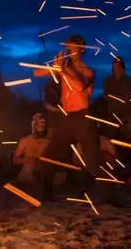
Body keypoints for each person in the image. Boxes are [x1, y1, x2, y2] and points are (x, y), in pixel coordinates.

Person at [34, 34, 105, 201]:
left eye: (73, 47)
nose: (70, 50)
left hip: (83, 117)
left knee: (93, 157)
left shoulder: (88, 71)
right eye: (68, 47)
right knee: (50, 155)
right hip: (67, 118)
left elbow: (80, 85)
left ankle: (107, 193)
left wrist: (62, 69)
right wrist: (54, 67)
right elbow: (37, 73)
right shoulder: (63, 67)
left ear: (81, 49)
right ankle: (46, 193)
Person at [103, 58, 131, 142]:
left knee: (127, 140)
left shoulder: (128, 80)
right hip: (113, 114)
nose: (115, 69)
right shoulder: (108, 80)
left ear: (122, 68)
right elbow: (106, 96)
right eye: (114, 67)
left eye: (117, 67)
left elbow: (127, 95)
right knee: (112, 139)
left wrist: (116, 96)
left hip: (126, 115)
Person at [13, 113, 50, 184]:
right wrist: (29, 160)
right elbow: (15, 160)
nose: (41, 128)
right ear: (34, 126)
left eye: (43, 126)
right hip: (25, 178)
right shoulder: (25, 140)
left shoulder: (48, 142)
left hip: (41, 180)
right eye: (39, 126)